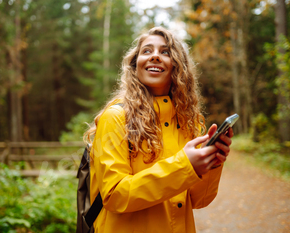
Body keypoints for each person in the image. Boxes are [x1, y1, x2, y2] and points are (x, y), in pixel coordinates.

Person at [83, 27, 233, 233]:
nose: (154, 56)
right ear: (135, 65)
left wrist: (212, 163)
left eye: (165, 52)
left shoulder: (190, 122)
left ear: (178, 66)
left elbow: (199, 200)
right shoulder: (115, 117)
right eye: (146, 51)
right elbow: (114, 195)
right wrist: (184, 166)